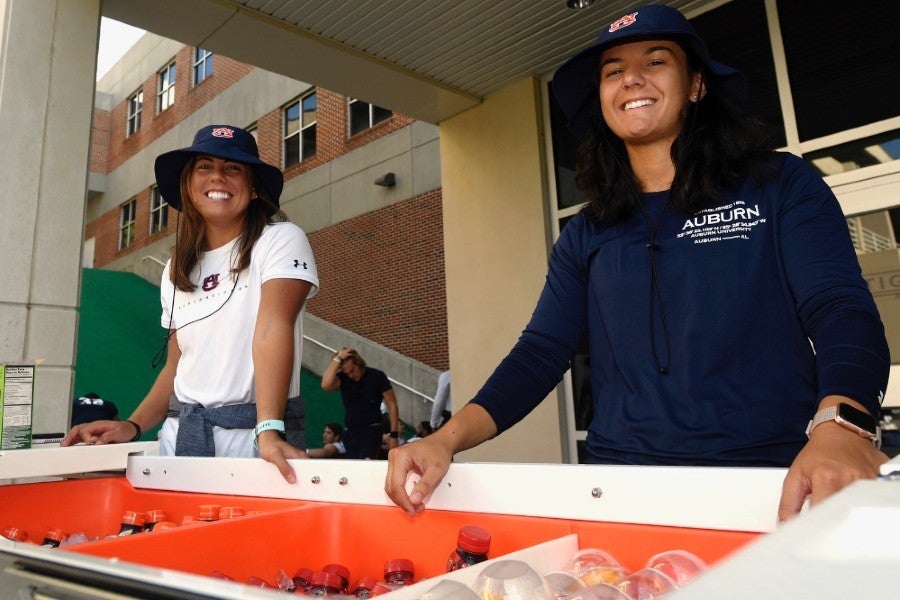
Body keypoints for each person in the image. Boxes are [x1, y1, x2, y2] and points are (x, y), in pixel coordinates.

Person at [385, 5, 890, 523]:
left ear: (695, 85)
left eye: (655, 61)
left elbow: (839, 308)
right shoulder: (586, 232)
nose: (631, 78)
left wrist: (842, 425)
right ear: (602, 99)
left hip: (774, 484)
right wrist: (444, 439)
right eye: (613, 71)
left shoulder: (780, 185)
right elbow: (539, 353)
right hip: (623, 491)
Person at [62, 125, 319, 484]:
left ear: (255, 186)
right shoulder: (175, 270)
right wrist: (133, 425)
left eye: (233, 168)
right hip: (179, 443)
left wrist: (271, 431)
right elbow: (177, 365)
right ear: (188, 185)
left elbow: (272, 329)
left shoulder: (279, 239)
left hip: (257, 446)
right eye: (205, 166)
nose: (218, 176)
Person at [322, 348, 400, 459]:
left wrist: (394, 435)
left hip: (372, 430)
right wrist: (337, 359)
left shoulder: (377, 376)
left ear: (359, 363)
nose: (350, 375)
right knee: (354, 467)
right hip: (350, 432)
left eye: (352, 370)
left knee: (366, 462)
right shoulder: (343, 378)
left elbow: (392, 404)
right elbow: (325, 385)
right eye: (347, 372)